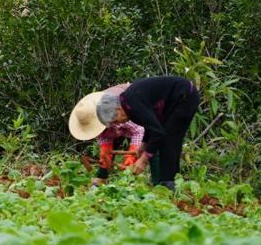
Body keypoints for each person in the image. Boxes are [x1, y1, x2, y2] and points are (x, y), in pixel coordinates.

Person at [71, 75, 200, 190]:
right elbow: (151, 125)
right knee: (167, 140)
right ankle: (170, 183)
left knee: (168, 141)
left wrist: (143, 160)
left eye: (115, 120)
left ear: (118, 109)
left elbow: (158, 132)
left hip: (184, 96)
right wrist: (143, 146)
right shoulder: (128, 106)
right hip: (174, 101)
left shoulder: (133, 105)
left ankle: (167, 185)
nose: (118, 124)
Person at [69, 83, 144, 183]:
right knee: (105, 154)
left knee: (152, 145)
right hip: (116, 125)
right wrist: (105, 151)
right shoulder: (90, 117)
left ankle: (159, 180)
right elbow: (104, 136)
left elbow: (139, 130)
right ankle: (102, 176)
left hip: (140, 110)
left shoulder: (116, 111)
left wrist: (131, 155)